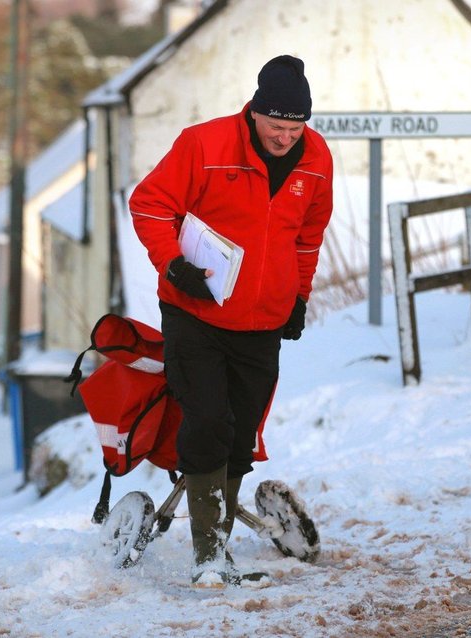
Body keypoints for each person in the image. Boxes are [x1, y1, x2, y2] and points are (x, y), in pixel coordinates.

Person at [129, 54, 333, 587]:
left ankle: (217, 543)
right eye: (276, 126)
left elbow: (307, 237)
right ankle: (209, 556)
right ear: (254, 113)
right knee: (207, 422)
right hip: (195, 312)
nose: (286, 138)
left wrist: (298, 298)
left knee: (241, 433)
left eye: (295, 128)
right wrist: (174, 265)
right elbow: (149, 204)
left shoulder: (317, 160)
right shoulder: (205, 144)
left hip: (263, 320)